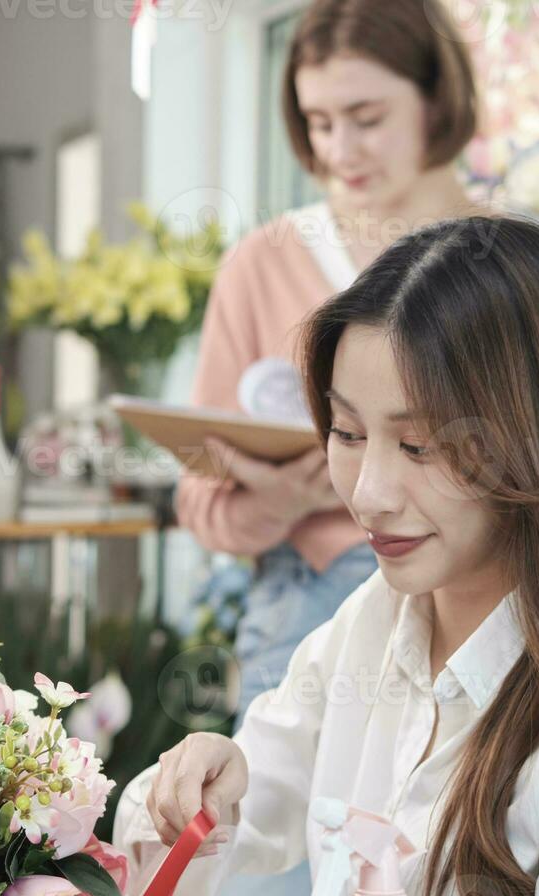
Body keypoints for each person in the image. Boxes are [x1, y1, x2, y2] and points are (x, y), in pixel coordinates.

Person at [107, 216, 539, 896]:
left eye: (419, 446)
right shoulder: (374, 625)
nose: (368, 496)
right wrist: (206, 781)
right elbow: (241, 800)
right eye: (345, 433)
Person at [177, 0, 484, 724]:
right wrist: (280, 501)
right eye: (319, 123)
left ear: (436, 99)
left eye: (367, 118)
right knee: (303, 834)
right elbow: (198, 500)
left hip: (482, 613)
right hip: (306, 614)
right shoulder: (262, 265)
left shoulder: (509, 261)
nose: (340, 149)